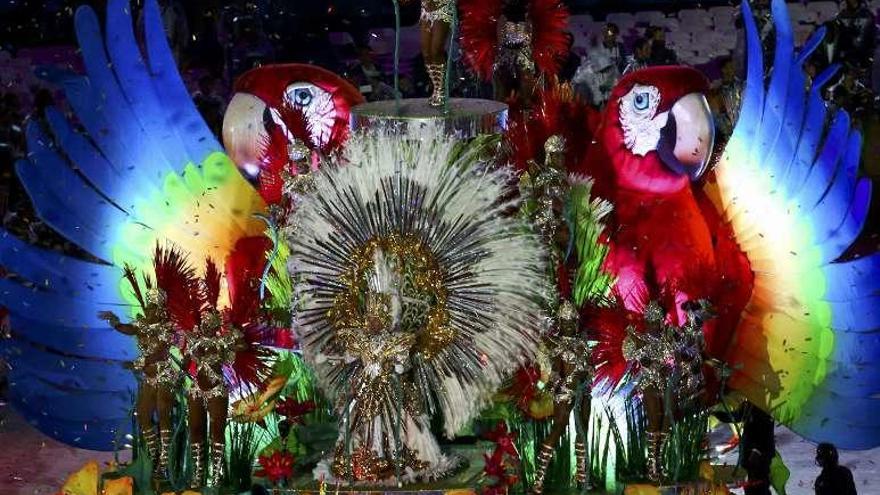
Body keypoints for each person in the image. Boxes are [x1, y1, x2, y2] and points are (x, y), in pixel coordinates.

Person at [98, 265, 178, 480]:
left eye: (154, 306)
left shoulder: (167, 327)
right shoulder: (142, 324)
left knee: (163, 415)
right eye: (149, 305)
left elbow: (161, 352)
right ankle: (153, 458)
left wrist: (137, 364)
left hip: (164, 376)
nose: (150, 309)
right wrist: (115, 322)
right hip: (149, 378)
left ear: (160, 308)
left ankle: (165, 464)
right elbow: (128, 328)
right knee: (143, 416)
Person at [582, 23, 625, 106]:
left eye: (610, 32)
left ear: (616, 34)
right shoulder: (597, 50)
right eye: (605, 31)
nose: (607, 34)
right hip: (601, 88)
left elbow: (624, 66)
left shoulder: (620, 48)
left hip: (616, 87)